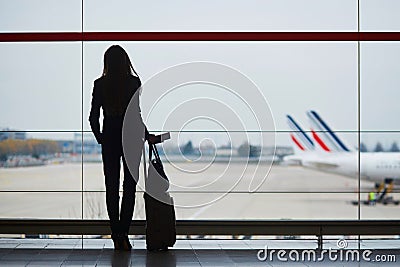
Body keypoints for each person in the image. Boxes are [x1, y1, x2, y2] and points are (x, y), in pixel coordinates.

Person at [89, 45, 156, 250]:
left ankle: (115, 233)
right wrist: (146, 135)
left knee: (112, 187)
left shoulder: (99, 84)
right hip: (131, 138)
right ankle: (123, 234)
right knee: (129, 188)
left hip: (109, 138)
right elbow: (136, 115)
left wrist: (101, 137)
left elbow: (93, 117)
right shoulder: (133, 82)